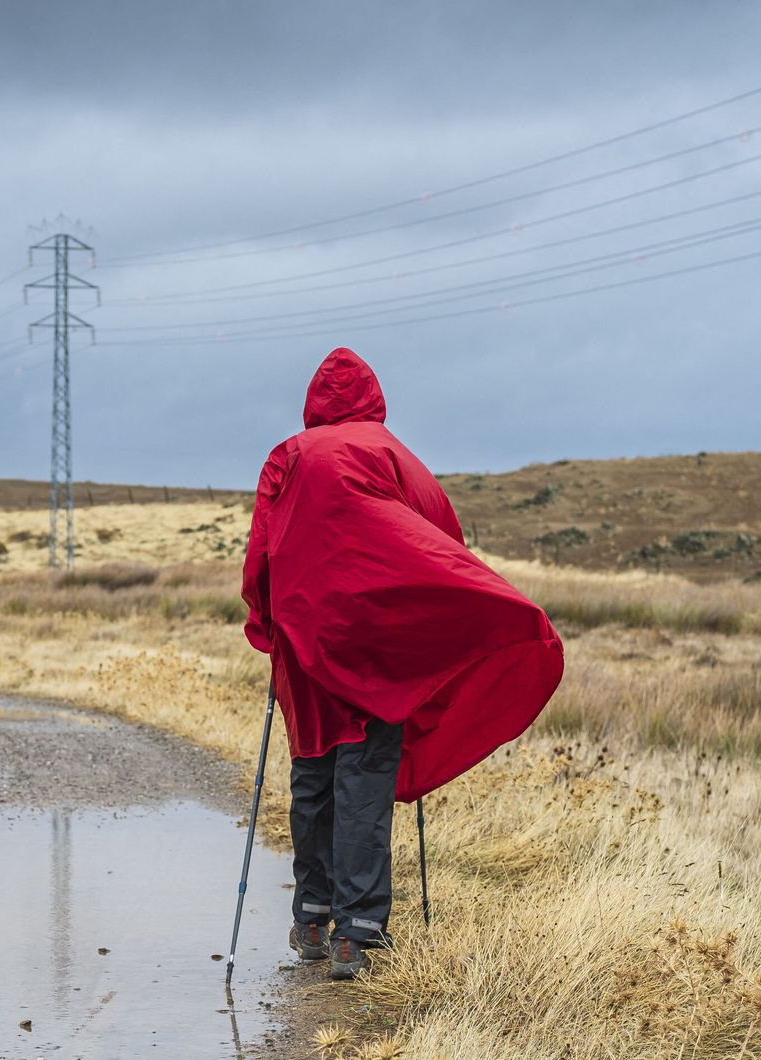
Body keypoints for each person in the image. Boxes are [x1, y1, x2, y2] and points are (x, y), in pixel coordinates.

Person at [241, 347, 564, 980]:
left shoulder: (288, 456)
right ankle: (356, 935)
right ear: (371, 397)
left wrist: (271, 623)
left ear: (313, 403)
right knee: (363, 774)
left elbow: (260, 557)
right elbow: (441, 538)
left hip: (306, 650)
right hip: (378, 650)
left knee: (313, 772)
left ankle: (311, 914)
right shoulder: (394, 457)